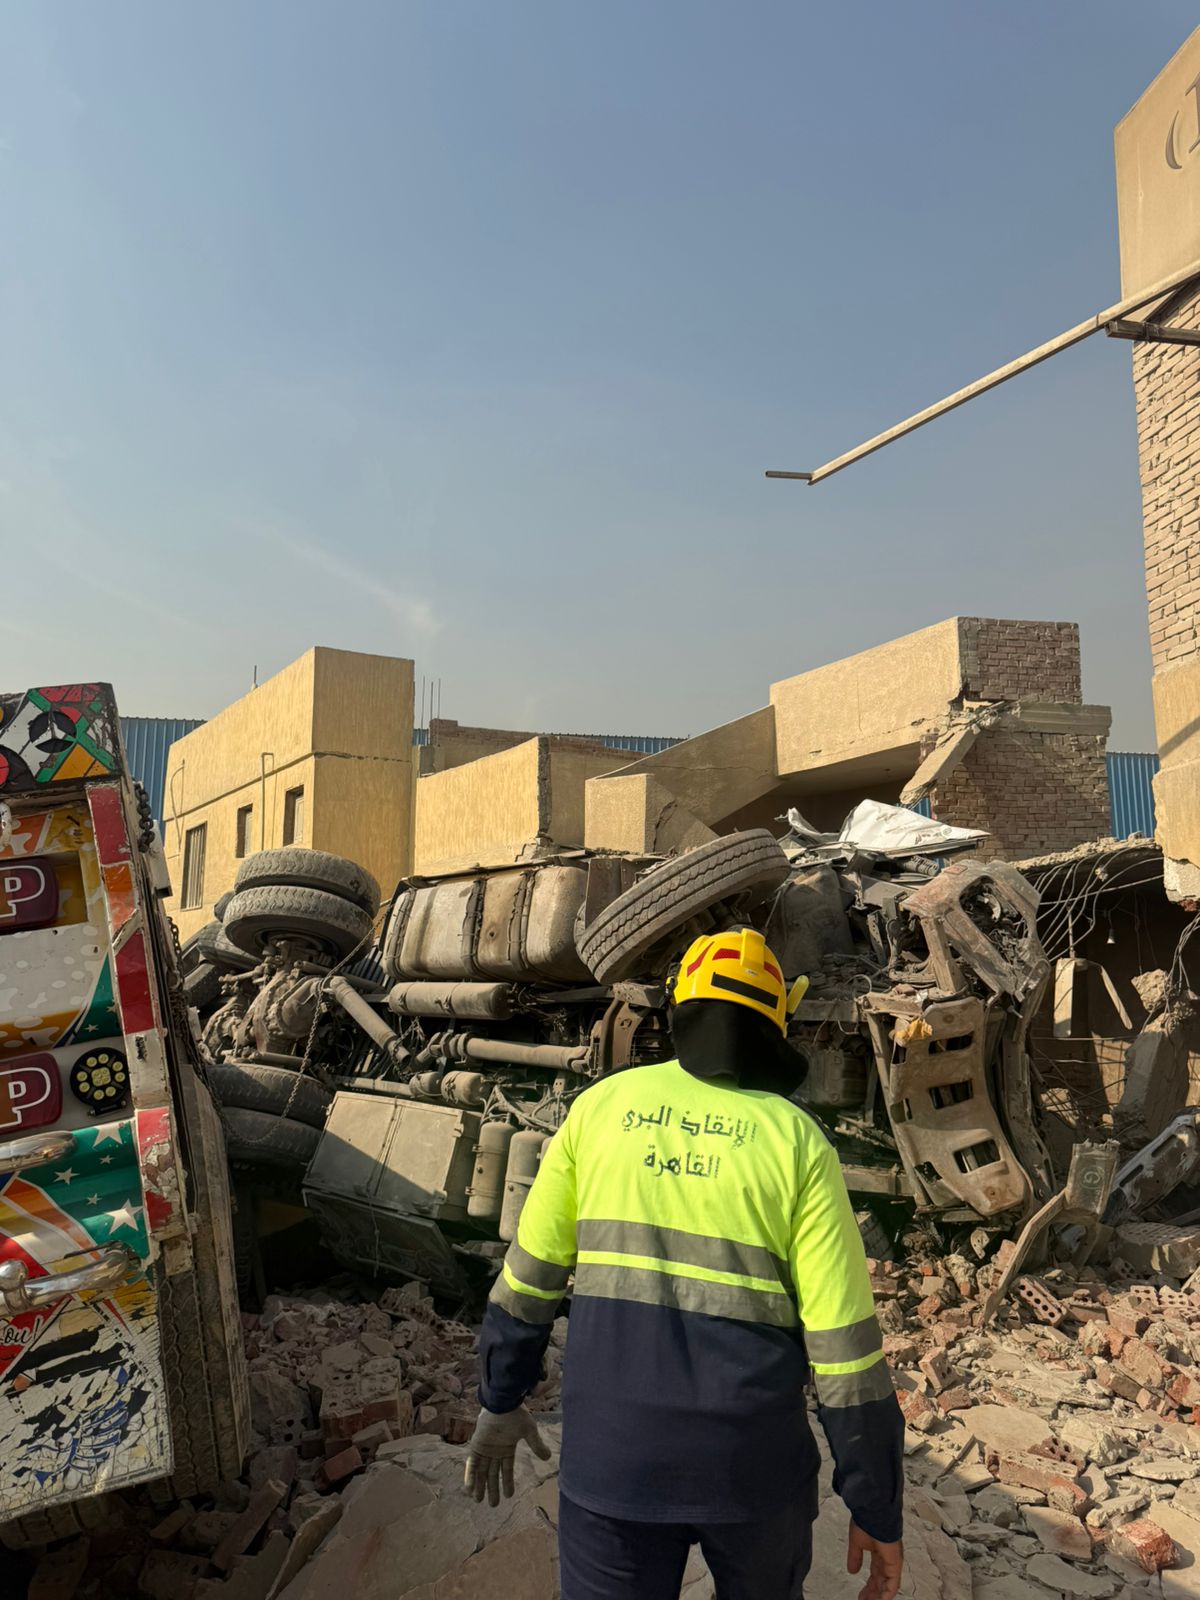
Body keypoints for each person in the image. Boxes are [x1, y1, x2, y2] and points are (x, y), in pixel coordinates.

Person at [464, 927, 904, 1600]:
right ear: (775, 1023)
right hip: (752, 1475)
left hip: (613, 1465)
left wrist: (500, 1397)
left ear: (677, 1009)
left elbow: (526, 1284)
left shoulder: (598, 1111)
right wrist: (875, 1506)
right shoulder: (798, 1142)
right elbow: (845, 1357)